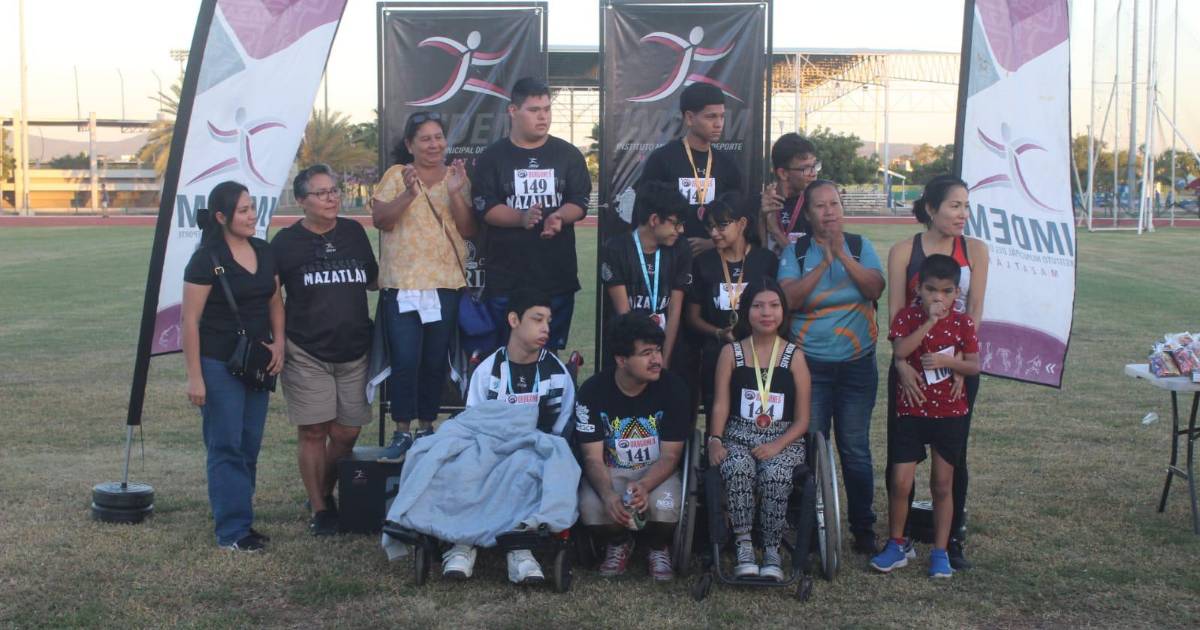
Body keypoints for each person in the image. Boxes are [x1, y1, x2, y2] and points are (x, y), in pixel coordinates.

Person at [777, 179, 886, 555]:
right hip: (811, 367)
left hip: (857, 366)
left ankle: (863, 527)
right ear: (808, 215)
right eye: (820, 206)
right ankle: (809, 525)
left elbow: (874, 288)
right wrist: (823, 262)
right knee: (810, 446)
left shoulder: (859, 246)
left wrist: (842, 258)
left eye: (834, 204)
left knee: (855, 449)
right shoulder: (797, 252)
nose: (829, 212)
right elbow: (789, 300)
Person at [885, 174, 989, 569]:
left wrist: (960, 364)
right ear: (931, 208)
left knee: (953, 457)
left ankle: (951, 539)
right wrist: (901, 364)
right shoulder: (904, 251)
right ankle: (900, 538)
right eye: (954, 206)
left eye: (966, 206)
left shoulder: (975, 250)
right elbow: (896, 314)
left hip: (956, 369)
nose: (963, 214)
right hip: (911, 368)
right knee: (902, 455)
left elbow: (974, 312)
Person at [442, 288, 577, 582]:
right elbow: (473, 424)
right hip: (489, 450)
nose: (546, 328)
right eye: (537, 319)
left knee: (532, 464)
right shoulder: (487, 371)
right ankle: (462, 544)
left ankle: (520, 550)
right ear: (514, 320)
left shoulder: (558, 374)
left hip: (535, 453)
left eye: (548, 321)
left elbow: (560, 433)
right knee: (461, 460)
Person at [271, 164, 378, 535]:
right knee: (315, 430)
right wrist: (278, 340)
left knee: (347, 432)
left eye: (334, 190)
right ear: (302, 200)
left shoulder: (354, 232)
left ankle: (324, 490)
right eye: (321, 193)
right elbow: (272, 297)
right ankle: (320, 508)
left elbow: (373, 280)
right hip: (307, 350)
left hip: (355, 349)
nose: (332, 198)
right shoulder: (285, 243)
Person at [181, 180, 284, 552]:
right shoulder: (206, 258)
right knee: (226, 444)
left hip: (256, 361)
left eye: (252, 208)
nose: (252, 215)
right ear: (221, 217)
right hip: (218, 363)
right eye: (243, 210)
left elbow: (275, 301)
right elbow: (189, 320)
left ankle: (241, 518)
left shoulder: (264, 250)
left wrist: (279, 343)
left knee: (249, 444)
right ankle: (232, 531)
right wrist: (195, 377)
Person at [370, 111, 476, 462]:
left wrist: (456, 193)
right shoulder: (395, 175)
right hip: (403, 286)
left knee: (434, 360)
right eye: (425, 139)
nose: (434, 144)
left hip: (443, 285)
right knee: (405, 360)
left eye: (438, 137)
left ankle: (426, 426)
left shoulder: (456, 176)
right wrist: (409, 194)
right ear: (409, 144)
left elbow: (468, 229)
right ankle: (402, 430)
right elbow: (381, 220)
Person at [872, 254, 980, 579]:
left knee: (943, 485)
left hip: (949, 413)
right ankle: (897, 543)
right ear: (918, 288)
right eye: (931, 290)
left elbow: (974, 365)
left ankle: (940, 551)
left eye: (946, 291)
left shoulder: (963, 323)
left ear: (956, 293)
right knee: (900, 481)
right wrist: (929, 323)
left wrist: (950, 363)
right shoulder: (907, 318)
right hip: (912, 410)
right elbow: (900, 351)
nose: (938, 298)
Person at [471, 77, 591, 352]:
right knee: (505, 354)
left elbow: (579, 201)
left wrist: (559, 217)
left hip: (556, 277)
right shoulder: (492, 157)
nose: (543, 117)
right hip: (506, 278)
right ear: (513, 111)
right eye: (534, 110)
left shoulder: (568, 154)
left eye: (547, 109)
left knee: (547, 356)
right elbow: (485, 207)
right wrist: (521, 218)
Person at [575, 312, 691, 581]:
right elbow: (592, 458)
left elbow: (671, 455)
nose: (657, 360)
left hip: (657, 470)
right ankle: (619, 542)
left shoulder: (674, 388)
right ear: (621, 359)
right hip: (611, 470)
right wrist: (607, 495)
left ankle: (657, 546)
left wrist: (645, 485)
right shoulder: (592, 391)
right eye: (646, 353)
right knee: (592, 510)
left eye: (658, 351)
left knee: (664, 508)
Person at [707, 279, 811, 580]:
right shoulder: (731, 353)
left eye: (774, 305)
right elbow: (720, 405)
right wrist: (715, 440)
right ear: (746, 312)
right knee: (737, 466)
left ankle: (772, 548)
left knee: (775, 472)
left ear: (783, 311)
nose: (767, 313)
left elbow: (803, 419)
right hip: (738, 434)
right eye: (758, 306)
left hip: (783, 438)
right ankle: (743, 544)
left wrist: (777, 445)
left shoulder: (794, 356)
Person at [686, 194, 778, 417]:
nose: (714, 233)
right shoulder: (703, 263)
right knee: (717, 415)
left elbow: (778, 307)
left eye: (722, 225)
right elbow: (692, 317)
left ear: (742, 223)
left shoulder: (765, 260)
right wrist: (719, 332)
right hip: (717, 355)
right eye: (710, 227)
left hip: (758, 354)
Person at [639, 82, 744, 257]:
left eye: (722, 117)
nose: (719, 124)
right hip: (669, 257)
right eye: (711, 117)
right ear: (689, 118)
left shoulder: (727, 164)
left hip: (715, 260)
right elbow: (645, 216)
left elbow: (739, 215)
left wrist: (714, 242)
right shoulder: (662, 159)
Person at [600, 180, 691, 368]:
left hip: (667, 349)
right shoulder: (615, 249)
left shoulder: (680, 248)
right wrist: (640, 362)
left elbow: (674, 310)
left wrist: (663, 361)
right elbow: (624, 315)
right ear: (654, 220)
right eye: (676, 224)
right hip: (629, 351)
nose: (681, 230)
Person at [758, 133, 821, 253]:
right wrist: (761, 221)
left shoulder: (816, 206)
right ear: (783, 173)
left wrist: (776, 232)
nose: (814, 173)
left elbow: (809, 260)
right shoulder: (759, 205)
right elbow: (758, 257)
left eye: (815, 166)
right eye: (806, 168)